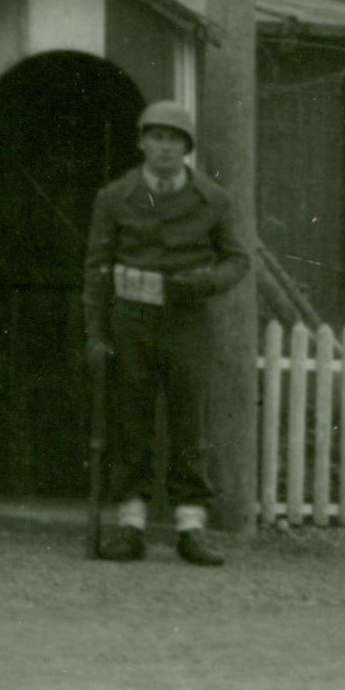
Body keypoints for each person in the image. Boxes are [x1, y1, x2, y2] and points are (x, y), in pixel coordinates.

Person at [84, 98, 249, 565]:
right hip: (130, 319)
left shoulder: (213, 200)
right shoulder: (114, 197)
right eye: (155, 137)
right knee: (129, 419)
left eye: (174, 139)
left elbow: (238, 258)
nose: (164, 148)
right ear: (141, 143)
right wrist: (95, 335)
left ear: (187, 148)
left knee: (188, 422)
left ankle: (190, 527)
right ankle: (131, 524)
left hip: (188, 321)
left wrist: (208, 282)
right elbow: (96, 270)